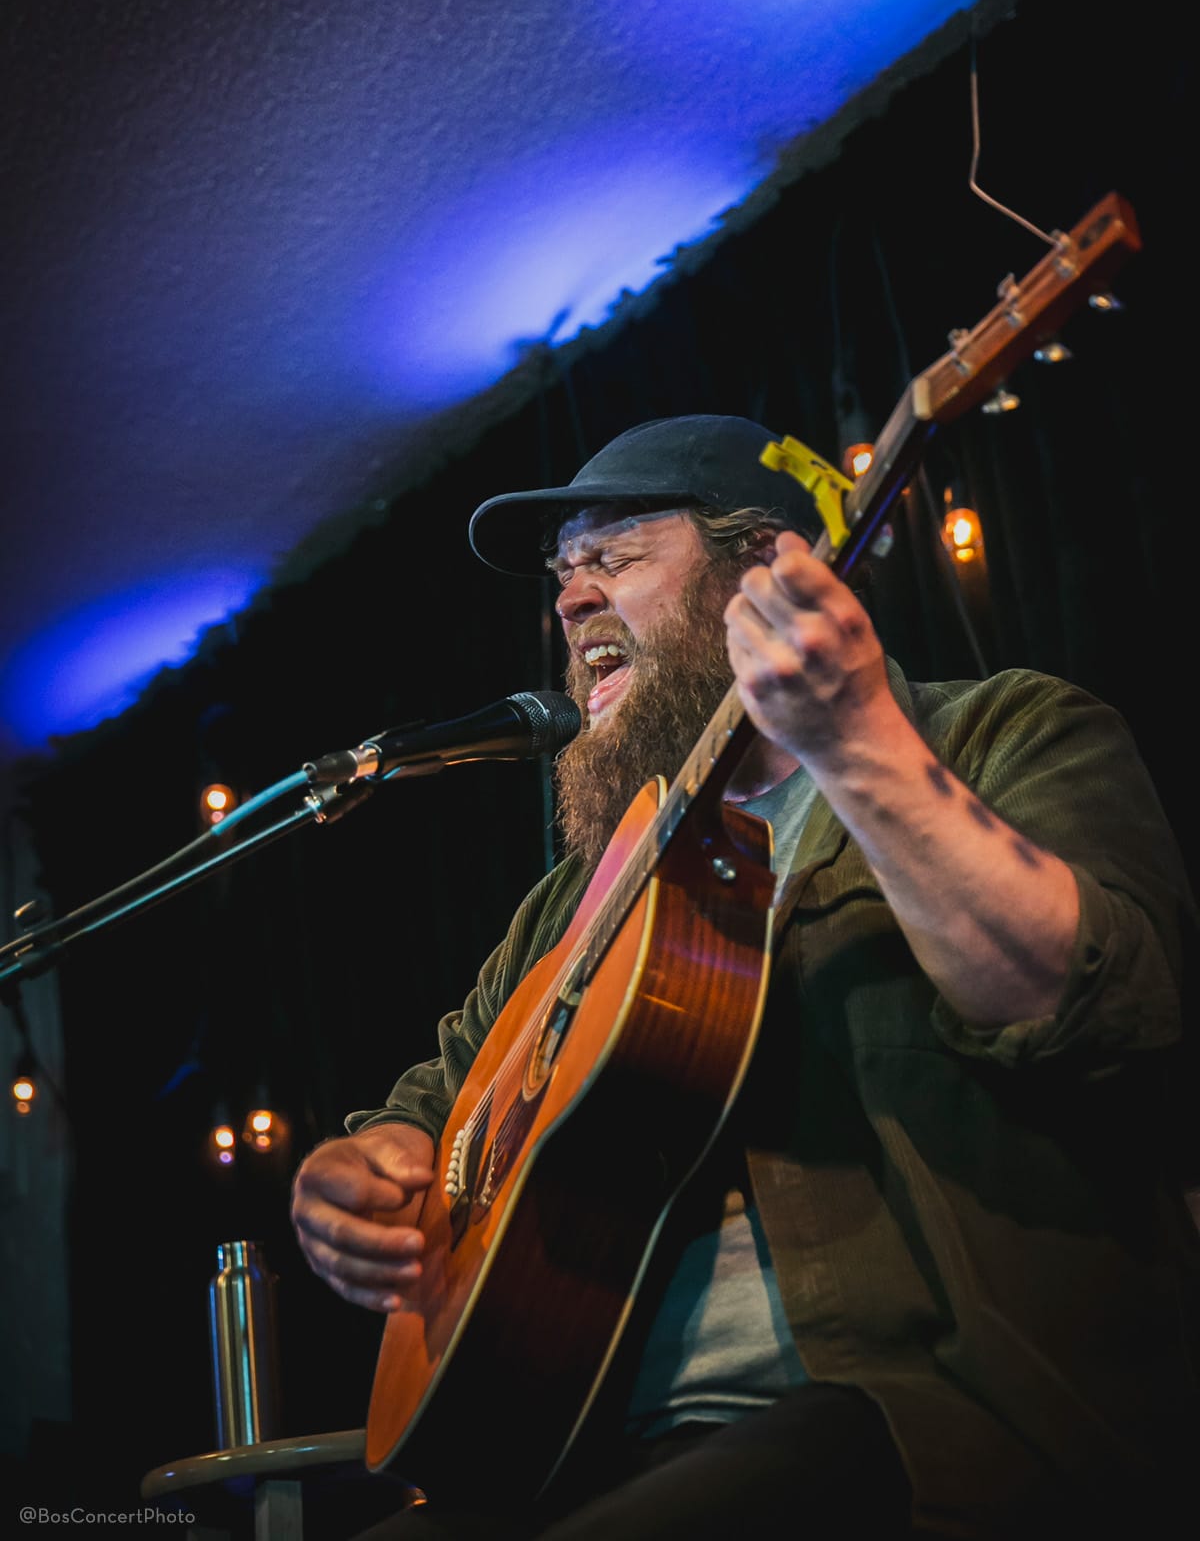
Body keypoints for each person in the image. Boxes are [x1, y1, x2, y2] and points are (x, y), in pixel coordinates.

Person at [291, 414, 1199, 1539]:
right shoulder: (575, 901)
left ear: (765, 569)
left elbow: (1100, 1004)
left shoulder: (1002, 733)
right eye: (562, 571)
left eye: (613, 554)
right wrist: (367, 1174)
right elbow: (432, 1109)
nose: (571, 600)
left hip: (922, 1423)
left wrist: (860, 749)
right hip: (575, 1443)